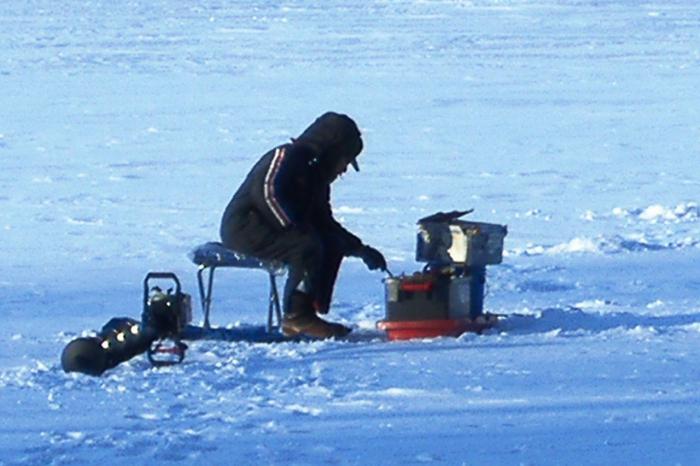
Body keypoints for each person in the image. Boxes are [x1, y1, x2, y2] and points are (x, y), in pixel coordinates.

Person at [220, 112, 387, 339]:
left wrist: (359, 248)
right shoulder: (285, 156)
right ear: (332, 150)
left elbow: (324, 223)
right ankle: (296, 318)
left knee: (329, 241)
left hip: (273, 231)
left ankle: (311, 309)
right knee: (306, 245)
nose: (344, 169)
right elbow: (268, 193)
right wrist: (293, 226)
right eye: (344, 160)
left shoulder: (316, 178)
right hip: (244, 229)